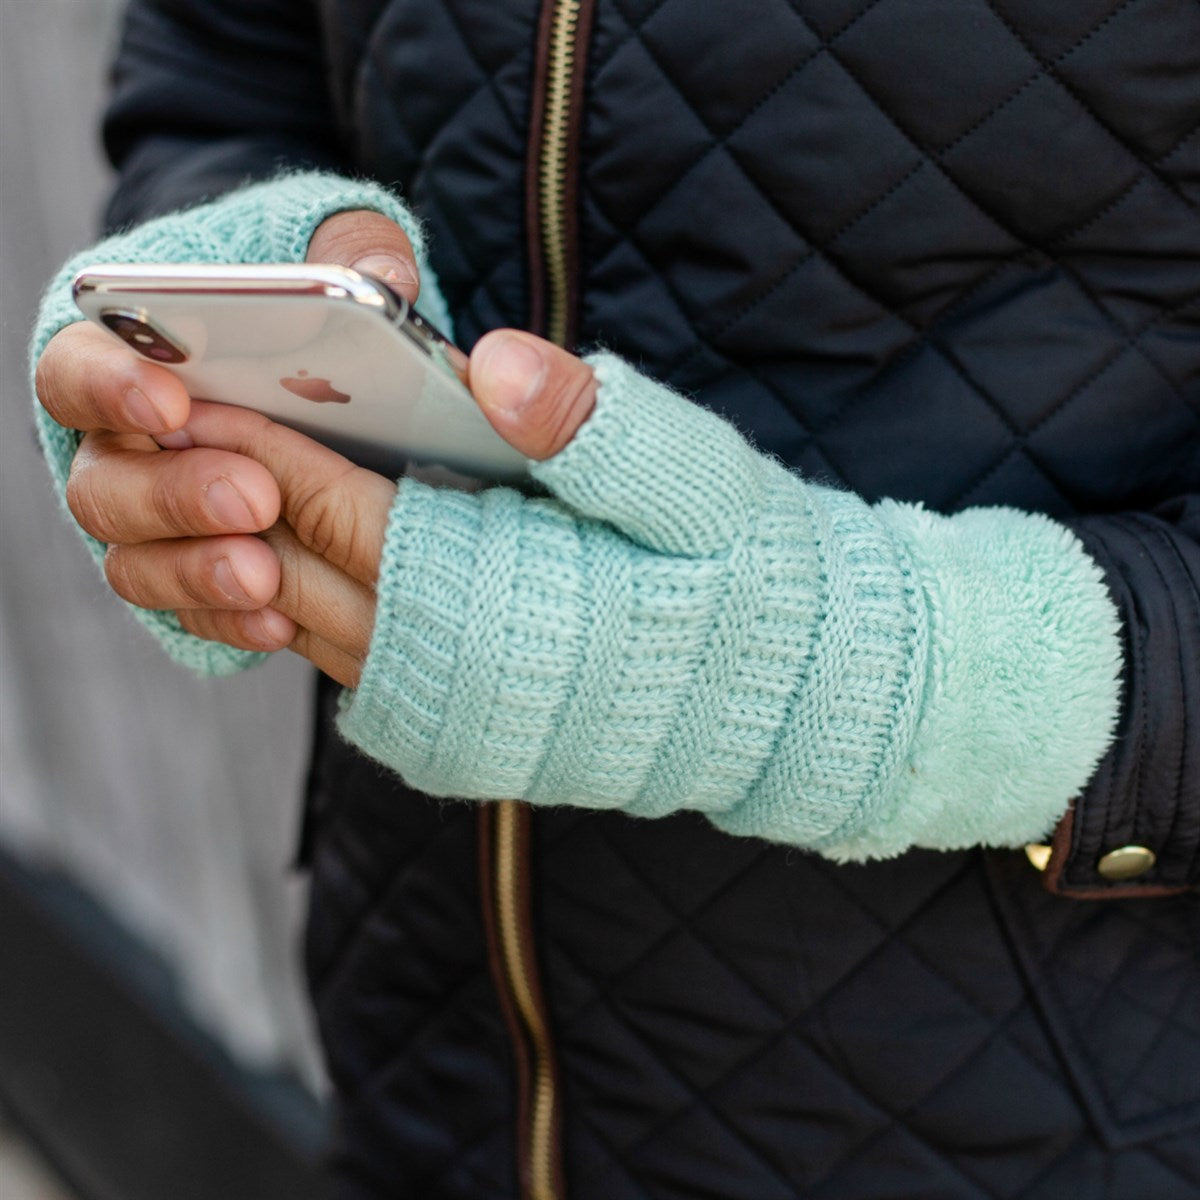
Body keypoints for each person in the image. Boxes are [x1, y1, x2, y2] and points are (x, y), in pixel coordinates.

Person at [30, 1, 1199, 1197]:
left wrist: (862, 676)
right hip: (431, 1068)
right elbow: (216, 59)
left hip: (1049, 1122)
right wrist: (225, 284)